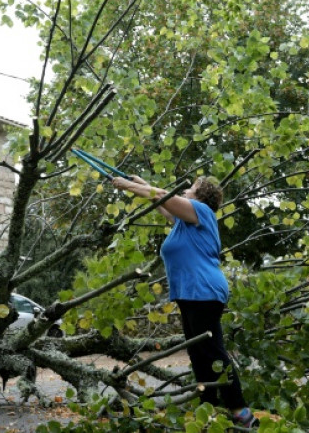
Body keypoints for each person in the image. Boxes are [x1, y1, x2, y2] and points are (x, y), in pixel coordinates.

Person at [111, 174, 259, 428]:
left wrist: (129, 186)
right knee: (198, 353)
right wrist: (143, 183)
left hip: (203, 290)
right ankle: (207, 411)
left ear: (201, 196)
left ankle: (242, 414)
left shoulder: (200, 211)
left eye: (191, 188)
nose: (187, 190)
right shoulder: (185, 222)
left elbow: (161, 196)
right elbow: (161, 202)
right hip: (192, 293)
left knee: (212, 353)